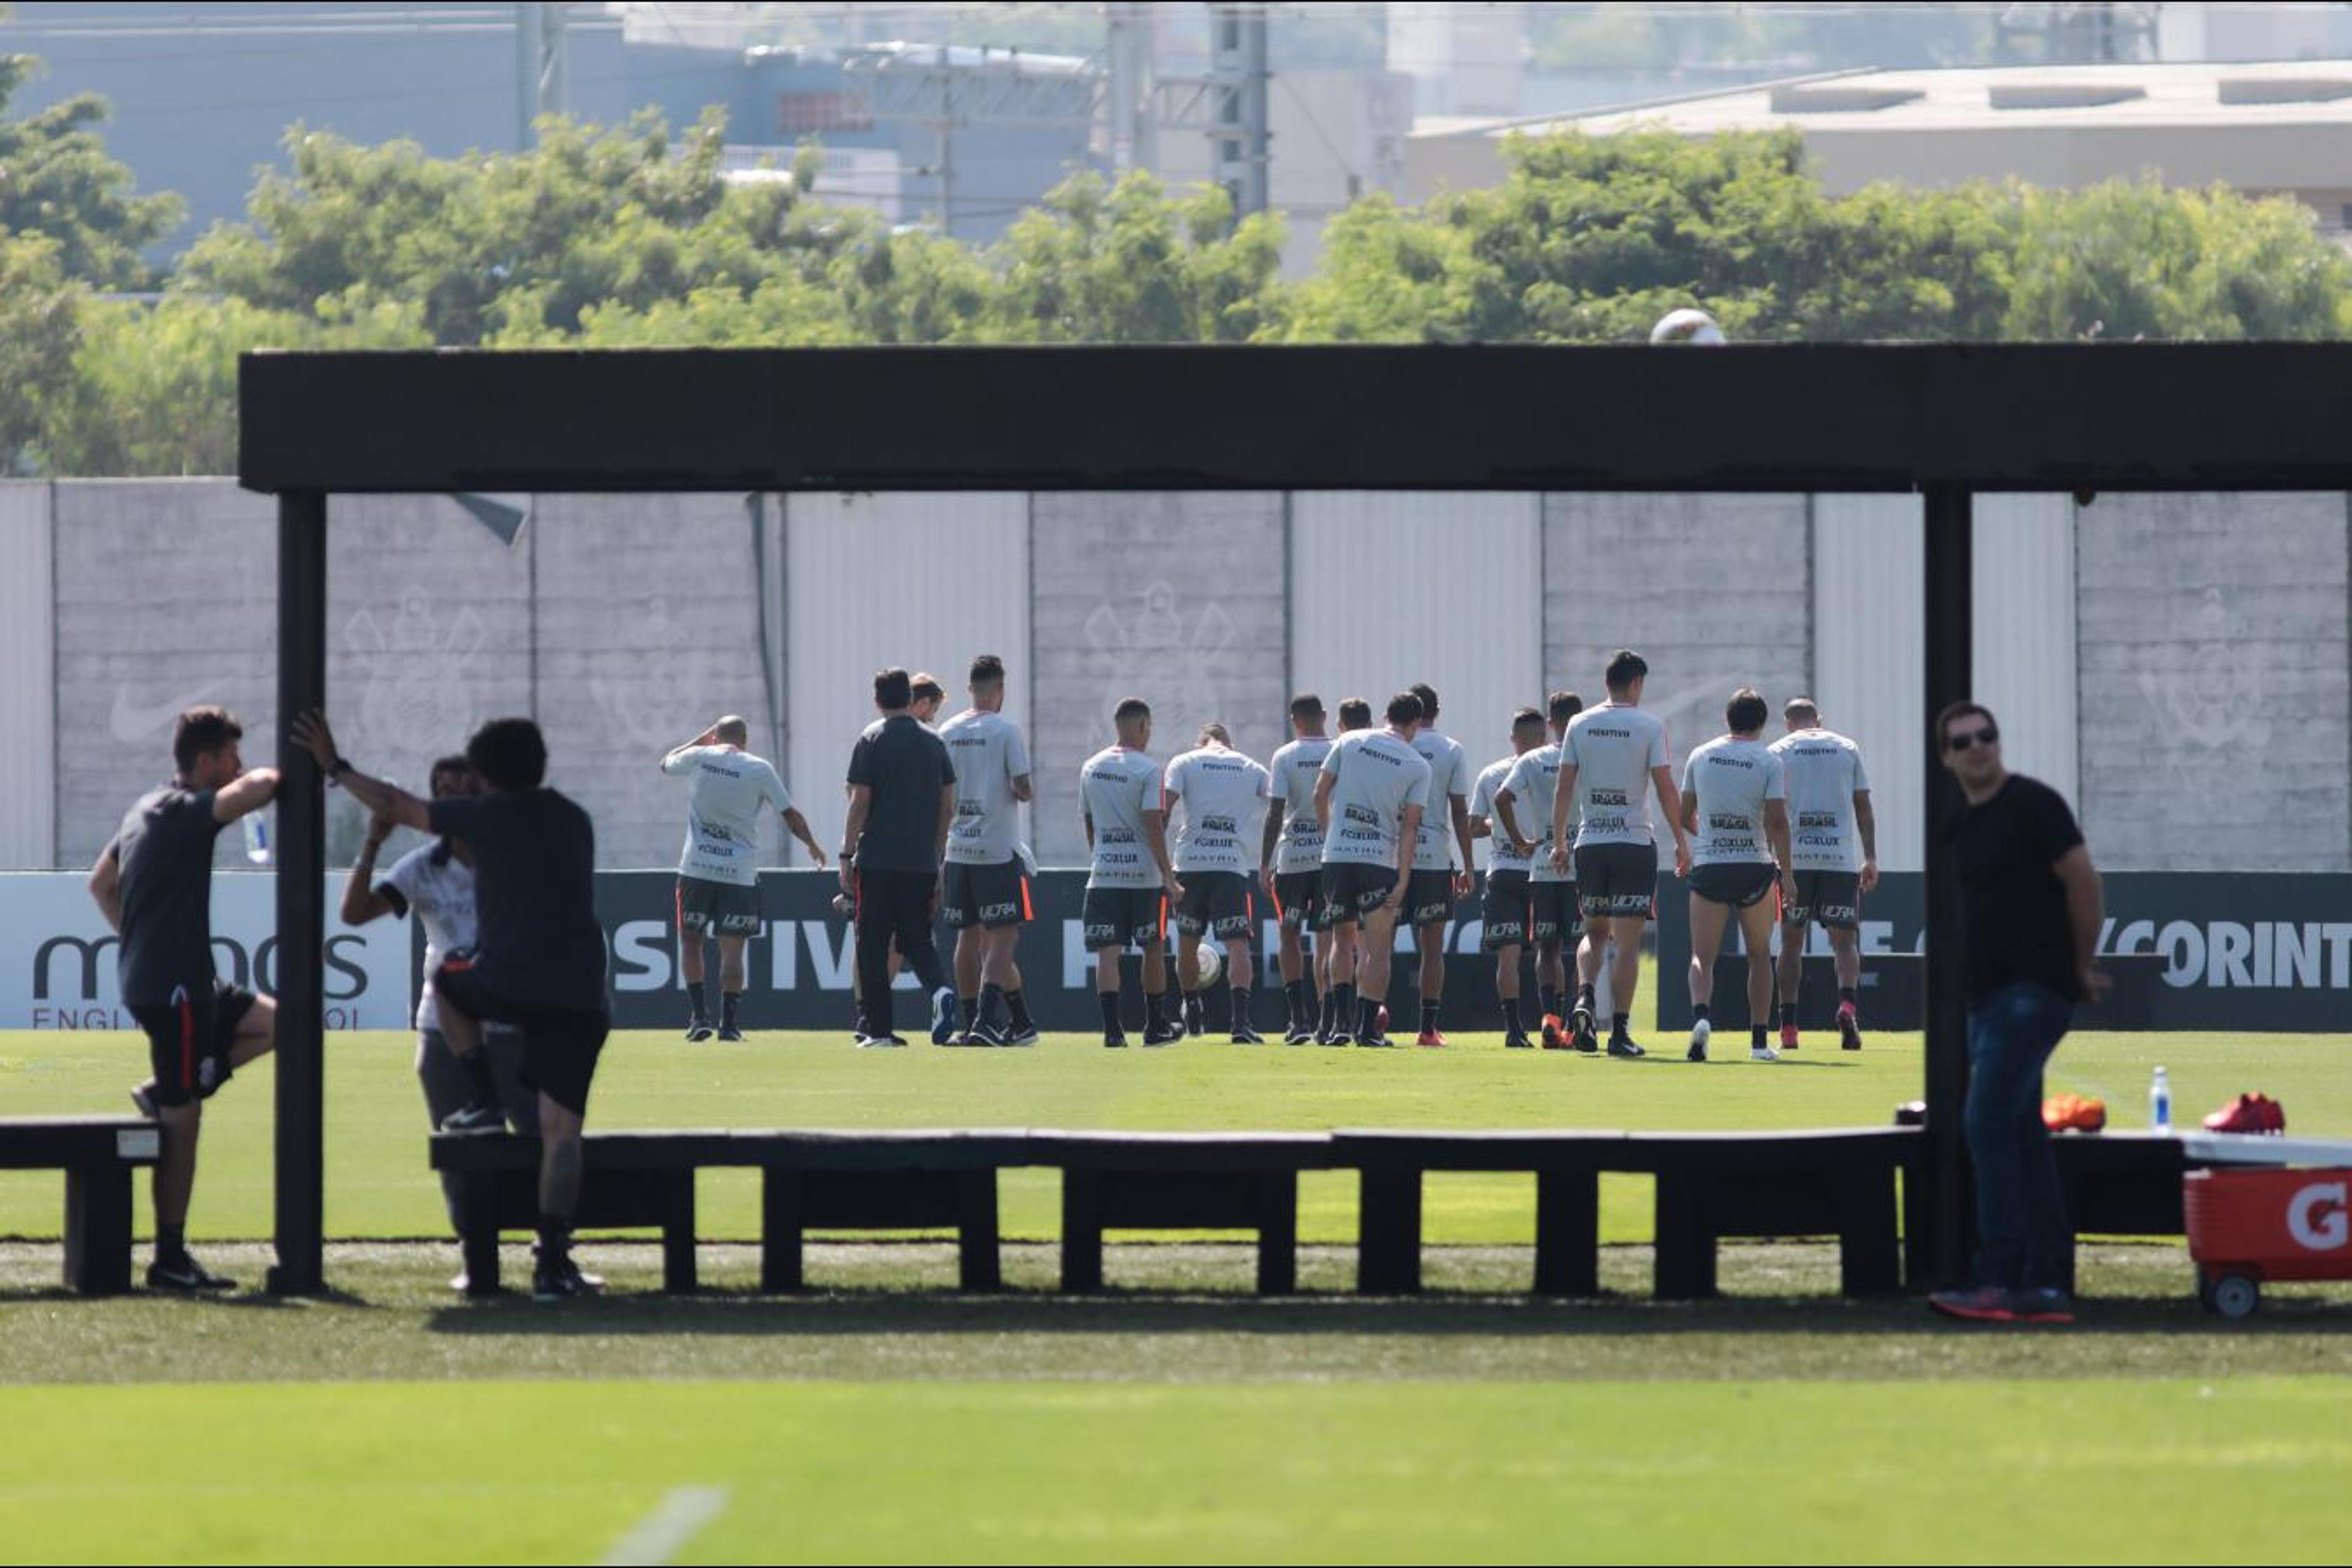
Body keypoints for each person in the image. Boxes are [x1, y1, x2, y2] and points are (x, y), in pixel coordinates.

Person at [296, 710, 611, 1303]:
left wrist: (335, 766)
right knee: (562, 1137)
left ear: (485, 778)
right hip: (580, 994)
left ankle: (483, 1099)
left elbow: (395, 801)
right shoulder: (573, 819)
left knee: (448, 978)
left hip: (511, 987)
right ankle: (551, 1266)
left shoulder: (488, 818)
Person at [88, 706, 279, 1291]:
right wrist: (285, 771)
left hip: (181, 981)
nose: (239, 766)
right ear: (205, 763)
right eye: (230, 757)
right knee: (184, 1120)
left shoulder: (144, 807)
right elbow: (262, 787)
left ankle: (176, 1087)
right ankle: (169, 1256)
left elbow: (101, 884)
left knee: (286, 1023)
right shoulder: (185, 811)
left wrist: (141, 939)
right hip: (175, 992)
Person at [1929, 701, 2106, 1326]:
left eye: (1987, 736)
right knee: (2023, 1136)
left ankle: (1999, 1276)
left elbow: (2083, 881)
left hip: (2034, 994)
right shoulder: (1960, 824)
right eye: (1964, 741)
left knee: (1986, 1123)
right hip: (1989, 999)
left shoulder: (2035, 803)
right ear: (1947, 757)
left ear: (1998, 744)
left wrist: (2081, 965)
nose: (1978, 747)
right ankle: (2047, 1283)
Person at [338, 753, 538, 1285]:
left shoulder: (512, 856)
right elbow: (355, 913)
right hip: (442, 1027)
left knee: (541, 1139)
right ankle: (477, 1257)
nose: (448, 797)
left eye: (459, 789)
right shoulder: (423, 867)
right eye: (438, 789)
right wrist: (373, 844)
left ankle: (554, 1250)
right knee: (459, 1152)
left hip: (514, 1025)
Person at [1551, 650, 1691, 1058]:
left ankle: (1584, 998)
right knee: (1627, 944)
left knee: (1593, 932)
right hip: (1633, 843)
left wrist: (1560, 841)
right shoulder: (1649, 725)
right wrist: (1682, 841)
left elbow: (1564, 787)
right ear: (1636, 685)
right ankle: (1621, 1033)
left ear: (1606, 684)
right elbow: (1665, 787)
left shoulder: (1579, 723)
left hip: (1591, 843)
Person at [660, 715, 826, 1042]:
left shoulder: (698, 757)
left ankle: (698, 1018)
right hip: (739, 874)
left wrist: (699, 739)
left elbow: (665, 763)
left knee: (691, 941)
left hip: (697, 869)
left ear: (716, 738)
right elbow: (789, 815)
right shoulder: (759, 769)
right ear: (745, 739)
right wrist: (812, 845)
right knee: (732, 952)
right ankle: (730, 1025)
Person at [840, 668, 959, 1047]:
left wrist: (846, 853)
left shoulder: (871, 738)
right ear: (910, 698)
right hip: (921, 862)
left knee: (872, 943)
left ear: (877, 701)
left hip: (876, 860)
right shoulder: (934, 743)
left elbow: (860, 801)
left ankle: (878, 1030)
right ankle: (940, 990)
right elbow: (947, 805)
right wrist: (937, 857)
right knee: (916, 939)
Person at [1680, 688, 1796, 1064]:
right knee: (1760, 956)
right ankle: (1760, 1043)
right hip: (1755, 867)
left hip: (1711, 863)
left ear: (1728, 719)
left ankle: (1701, 1018)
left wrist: (1712, 837)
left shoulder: (1701, 754)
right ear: (1762, 724)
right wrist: (1789, 876)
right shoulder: (1769, 760)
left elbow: (1685, 815)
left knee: (1702, 957)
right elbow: (1777, 822)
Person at [1313, 692, 1432, 1049]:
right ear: (1415, 725)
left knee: (1341, 940)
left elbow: (1320, 794)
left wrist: (1329, 836)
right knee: (1377, 951)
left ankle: (1338, 1027)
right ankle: (1366, 1030)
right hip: (1378, 861)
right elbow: (1410, 827)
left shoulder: (1349, 741)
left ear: (1385, 716)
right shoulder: (1417, 765)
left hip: (1337, 856)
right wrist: (1404, 877)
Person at [938, 654, 1040, 1047]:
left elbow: (942, 793)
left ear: (970, 690)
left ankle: (980, 1023)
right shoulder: (1006, 731)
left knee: (967, 936)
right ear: (1000, 689)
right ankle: (985, 1020)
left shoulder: (947, 730)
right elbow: (1023, 788)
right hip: (997, 849)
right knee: (1002, 937)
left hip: (958, 847)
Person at [1771, 698, 1878, 1052]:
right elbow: (1863, 806)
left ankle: (1788, 1027)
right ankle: (1847, 1006)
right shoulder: (1847, 748)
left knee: (1790, 943)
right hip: (1839, 859)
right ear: (1819, 720)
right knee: (1845, 943)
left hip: (1796, 861)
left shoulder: (1778, 751)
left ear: (1788, 723)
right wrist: (1871, 858)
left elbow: (1770, 812)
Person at [1080, 698, 1184, 1047]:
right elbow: (1153, 823)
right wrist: (1168, 876)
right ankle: (1155, 1027)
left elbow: (1089, 822)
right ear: (1143, 726)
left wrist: (1102, 854)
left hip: (1104, 872)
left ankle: (1112, 1032)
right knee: (1152, 947)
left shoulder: (1091, 767)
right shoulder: (1149, 769)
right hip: (1143, 877)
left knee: (1107, 952)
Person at [1164, 722, 1271, 1041]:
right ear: (1230, 743)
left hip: (1190, 863)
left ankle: (1191, 1005)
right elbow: (1278, 801)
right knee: (1238, 944)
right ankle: (1240, 1024)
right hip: (1230, 866)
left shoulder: (1184, 762)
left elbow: (1164, 810)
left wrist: (1162, 867)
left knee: (1187, 941)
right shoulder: (1250, 766)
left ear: (1201, 743)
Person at [1497, 690, 1584, 1050]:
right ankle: (1577, 1021)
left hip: (1543, 867)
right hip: (1581, 864)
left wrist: (1519, 840)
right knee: (1585, 946)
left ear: (1551, 723)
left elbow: (1502, 798)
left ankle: (1550, 1017)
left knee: (1547, 950)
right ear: (1578, 720)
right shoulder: (1588, 756)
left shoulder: (1532, 760)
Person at [1401, 684, 1475, 1048]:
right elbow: (1460, 813)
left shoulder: (1395, 744)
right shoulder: (1450, 750)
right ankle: (1428, 1029)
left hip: (1393, 857)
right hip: (1433, 858)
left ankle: (1371, 1017)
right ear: (1437, 710)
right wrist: (1469, 866)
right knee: (1433, 947)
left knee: (1377, 943)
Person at [1469, 707, 1548, 1049]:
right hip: (1543, 873)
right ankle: (1554, 1022)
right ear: (1543, 737)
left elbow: (1473, 827)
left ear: (1512, 738)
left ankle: (1514, 1030)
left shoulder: (1491, 774)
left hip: (1503, 871)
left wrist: (1500, 828)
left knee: (1509, 957)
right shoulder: (1553, 769)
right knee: (1552, 951)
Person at [1261, 693, 1335, 1045]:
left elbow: (1275, 811)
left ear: (1295, 720)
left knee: (1289, 935)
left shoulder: (1285, 755)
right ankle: (1329, 1020)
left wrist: (1264, 864)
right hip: (1330, 856)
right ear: (1324, 716)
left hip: (1292, 858)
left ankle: (1298, 1020)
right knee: (1328, 939)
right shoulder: (1340, 750)